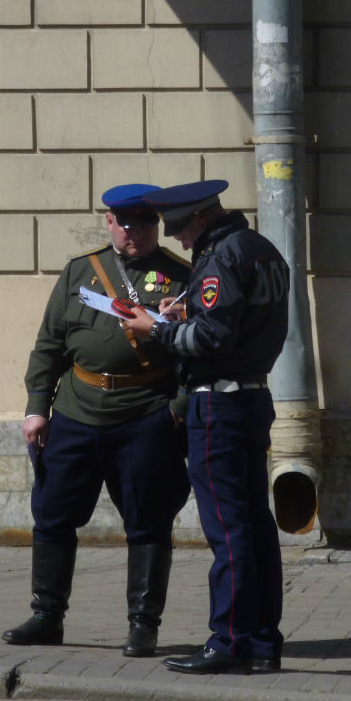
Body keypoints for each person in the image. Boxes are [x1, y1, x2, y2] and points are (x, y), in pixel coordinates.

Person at [4, 184, 192, 657]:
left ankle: (143, 624)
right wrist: (36, 407)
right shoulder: (80, 273)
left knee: (148, 522)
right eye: (127, 224)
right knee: (52, 516)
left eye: (146, 224)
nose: (137, 233)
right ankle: (47, 616)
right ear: (109, 221)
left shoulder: (181, 277)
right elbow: (49, 344)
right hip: (75, 412)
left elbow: (199, 355)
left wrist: (176, 412)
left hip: (145, 414)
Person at [122, 179, 290, 675]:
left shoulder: (220, 256)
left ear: (199, 219)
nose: (177, 240)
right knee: (256, 526)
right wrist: (189, 310)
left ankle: (228, 639)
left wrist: (158, 328)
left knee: (228, 528)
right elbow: (247, 324)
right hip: (253, 395)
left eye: (179, 230)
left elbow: (213, 339)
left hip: (218, 404)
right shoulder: (261, 249)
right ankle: (262, 641)